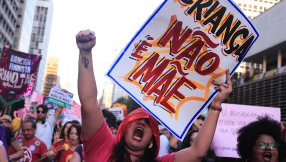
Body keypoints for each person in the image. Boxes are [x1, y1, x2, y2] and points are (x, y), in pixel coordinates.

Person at [75, 29, 232, 161]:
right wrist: (85, 52)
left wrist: (216, 104)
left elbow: (198, 151)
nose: (142, 124)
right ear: (124, 129)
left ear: (152, 140)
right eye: (137, 120)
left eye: (148, 124)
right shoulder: (103, 146)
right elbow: (89, 104)